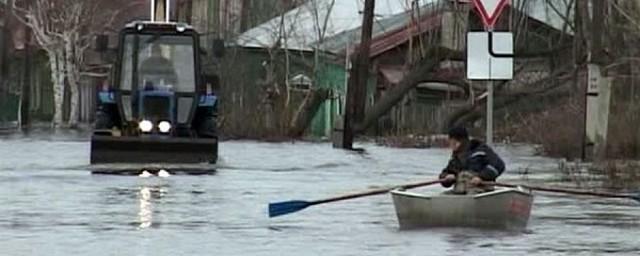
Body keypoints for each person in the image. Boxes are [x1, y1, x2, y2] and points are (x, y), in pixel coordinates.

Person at [439, 126, 505, 194]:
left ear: (460, 141)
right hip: (461, 191)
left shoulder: (481, 151)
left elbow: (499, 165)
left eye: (452, 142)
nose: (450, 145)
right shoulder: (455, 160)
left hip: (482, 191)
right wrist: (446, 177)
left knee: (471, 194)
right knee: (443, 195)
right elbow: (445, 173)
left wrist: (481, 177)